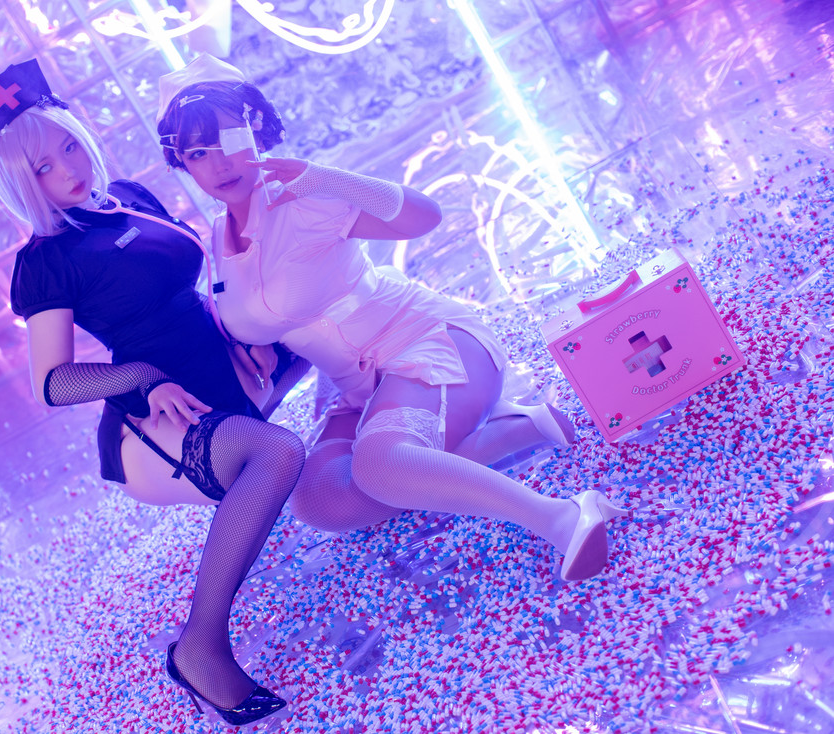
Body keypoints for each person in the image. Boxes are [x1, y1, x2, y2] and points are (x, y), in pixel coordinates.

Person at [155, 55, 630, 583]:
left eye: (227, 140)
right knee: (321, 502)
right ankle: (514, 430)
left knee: (381, 466)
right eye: (197, 153)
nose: (219, 164)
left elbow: (425, 216)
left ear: (255, 130)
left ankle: (564, 517)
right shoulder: (217, 237)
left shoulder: (299, 198)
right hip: (356, 386)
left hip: (428, 342)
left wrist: (326, 178)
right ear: (183, 163)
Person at [0, 59, 306, 726]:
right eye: (43, 168)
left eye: (69, 147)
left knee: (311, 319)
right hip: (159, 415)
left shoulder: (129, 196)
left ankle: (392, 443)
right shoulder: (45, 260)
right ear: (21, 183)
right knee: (278, 452)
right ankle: (199, 648)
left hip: (218, 362)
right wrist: (140, 378)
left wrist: (238, 326)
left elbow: (189, 287)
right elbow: (52, 382)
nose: (69, 169)